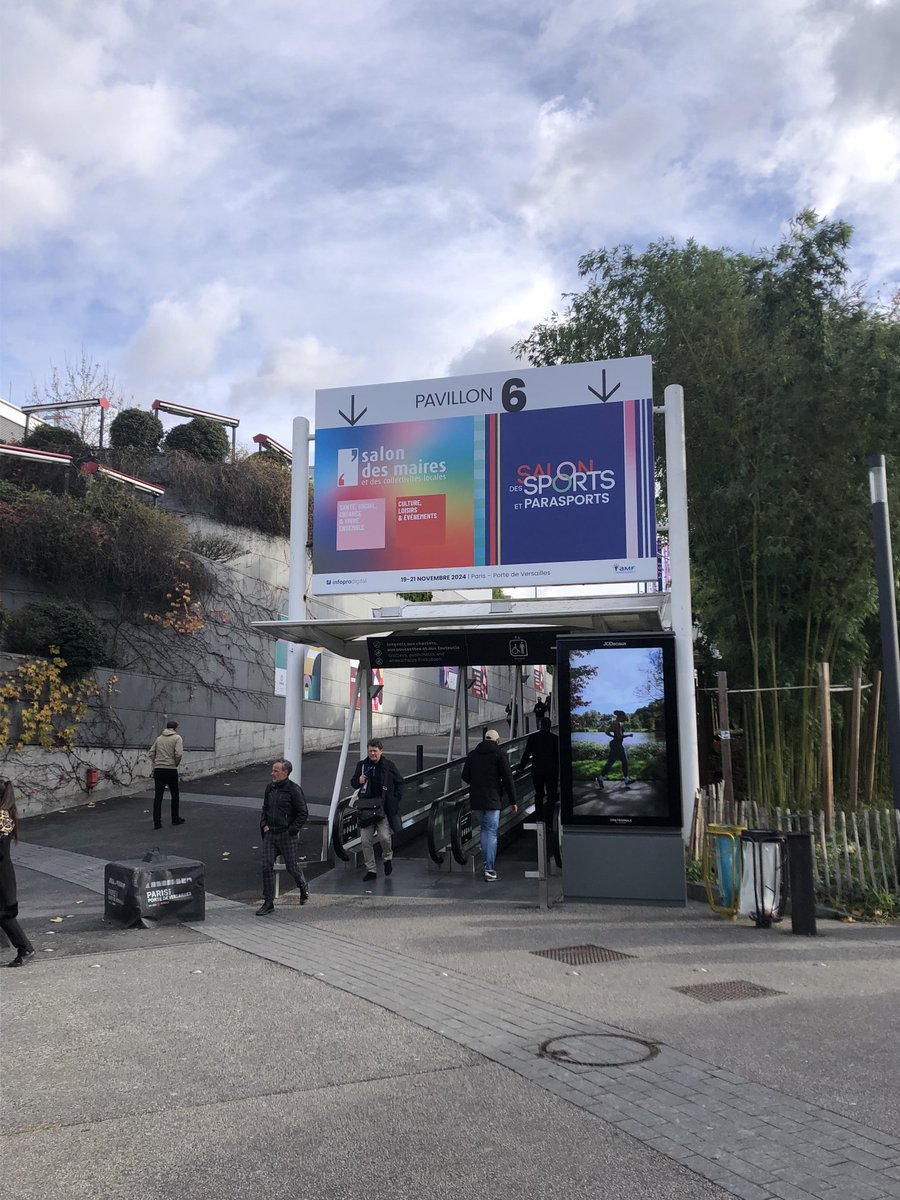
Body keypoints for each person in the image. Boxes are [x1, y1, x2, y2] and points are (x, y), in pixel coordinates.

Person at [461, 729, 517, 882]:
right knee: (491, 833)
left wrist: (477, 780)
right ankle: (489, 870)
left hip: (477, 801)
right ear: (497, 740)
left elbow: (465, 776)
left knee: (484, 831)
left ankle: (486, 864)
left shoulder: (473, 755)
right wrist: (513, 801)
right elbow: (508, 780)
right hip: (493, 800)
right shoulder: (500, 755)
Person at [257, 759, 309, 915]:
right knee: (266, 866)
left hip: (286, 835)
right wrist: (263, 824)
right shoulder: (270, 788)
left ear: (285, 773)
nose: (272, 773)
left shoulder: (294, 790)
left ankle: (302, 885)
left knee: (291, 866)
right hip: (270, 834)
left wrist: (291, 830)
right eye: (273, 770)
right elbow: (265, 807)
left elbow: (303, 812)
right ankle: (268, 902)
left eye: (276, 771)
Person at [349, 739, 404, 882]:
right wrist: (359, 780)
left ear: (381, 751)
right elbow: (353, 782)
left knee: (385, 837)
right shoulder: (362, 766)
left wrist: (396, 798)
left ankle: (387, 858)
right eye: (370, 751)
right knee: (365, 841)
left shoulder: (388, 766)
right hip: (366, 808)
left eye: (375, 751)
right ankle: (371, 870)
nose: (372, 753)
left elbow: (400, 782)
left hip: (382, 808)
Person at [0, 779, 35, 967]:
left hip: (2, 875)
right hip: (4, 872)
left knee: (5, 914)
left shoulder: (2, 817)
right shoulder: (6, 815)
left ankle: (26, 948)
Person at [519, 716, 559, 828]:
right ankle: (550, 822)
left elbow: (526, 754)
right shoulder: (555, 739)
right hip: (552, 771)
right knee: (551, 796)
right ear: (550, 726)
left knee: (539, 794)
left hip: (537, 771)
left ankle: (539, 818)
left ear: (540, 726)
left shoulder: (533, 737)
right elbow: (559, 757)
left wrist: (520, 769)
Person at [150, 720, 184, 829]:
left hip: (159, 769)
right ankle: (175, 819)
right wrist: (175, 763)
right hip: (170, 769)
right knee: (175, 795)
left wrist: (156, 762)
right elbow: (178, 754)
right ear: (175, 728)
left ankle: (157, 823)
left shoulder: (159, 738)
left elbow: (151, 752)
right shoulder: (177, 738)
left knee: (158, 796)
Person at [596, 710, 633, 789]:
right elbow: (619, 736)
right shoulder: (618, 724)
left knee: (613, 762)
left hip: (615, 744)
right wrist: (629, 735)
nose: (625, 717)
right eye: (624, 716)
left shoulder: (614, 723)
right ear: (621, 716)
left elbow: (607, 732)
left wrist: (613, 737)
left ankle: (601, 777)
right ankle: (626, 779)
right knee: (623, 761)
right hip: (617, 745)